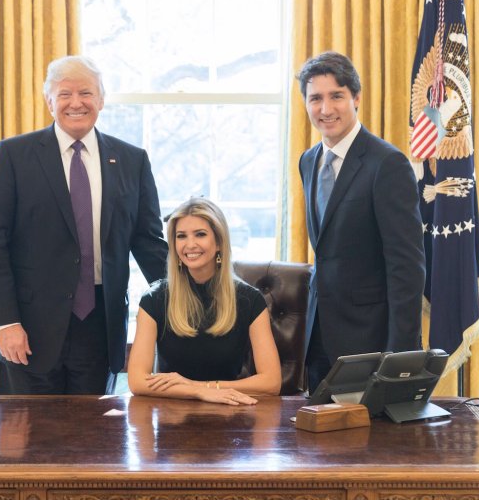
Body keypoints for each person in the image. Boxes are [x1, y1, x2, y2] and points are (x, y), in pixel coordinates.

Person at [0, 55, 168, 395]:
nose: (76, 103)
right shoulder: (13, 155)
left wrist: (188, 298)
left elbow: (149, 243)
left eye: (86, 93)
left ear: (101, 99)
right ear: (49, 101)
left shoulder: (131, 160)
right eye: (64, 94)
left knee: (95, 428)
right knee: (27, 430)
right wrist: (5, 322)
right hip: (27, 328)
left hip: (101, 326)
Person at [296, 51, 426, 394]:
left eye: (336, 96)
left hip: (370, 343)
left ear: (356, 97)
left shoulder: (387, 164)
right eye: (315, 98)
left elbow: (406, 267)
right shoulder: (308, 161)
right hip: (318, 339)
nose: (326, 109)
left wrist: (401, 356)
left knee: (367, 430)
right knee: (319, 428)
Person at [127, 197, 281, 405]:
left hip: (231, 411)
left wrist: (200, 386)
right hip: (171, 414)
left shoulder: (250, 300)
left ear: (218, 242)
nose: (190, 244)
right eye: (181, 236)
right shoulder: (154, 299)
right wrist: (197, 392)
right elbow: (137, 382)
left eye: (200, 234)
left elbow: (271, 382)